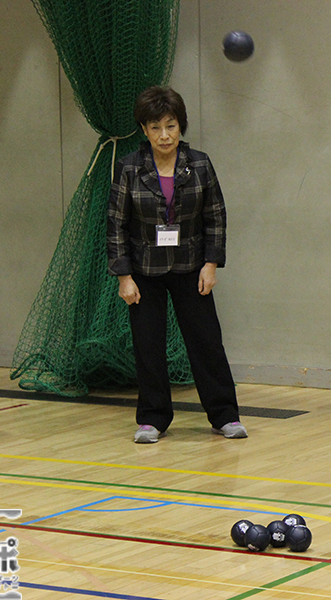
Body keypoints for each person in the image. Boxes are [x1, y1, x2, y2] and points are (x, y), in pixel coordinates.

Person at [107, 86, 246, 444]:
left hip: (191, 266)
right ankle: (152, 419)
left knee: (206, 342)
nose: (164, 135)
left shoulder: (199, 163)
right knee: (148, 345)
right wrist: (124, 275)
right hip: (144, 271)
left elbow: (216, 216)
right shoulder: (128, 168)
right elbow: (116, 225)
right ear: (144, 130)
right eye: (155, 128)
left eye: (171, 126)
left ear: (181, 126)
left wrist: (211, 263)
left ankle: (225, 415)